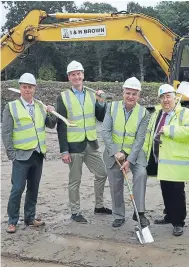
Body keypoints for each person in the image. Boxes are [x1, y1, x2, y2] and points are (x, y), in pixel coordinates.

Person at [56, 60, 112, 224]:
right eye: (73, 74)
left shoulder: (91, 94)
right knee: (75, 180)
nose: (76, 76)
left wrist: (101, 103)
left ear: (83, 75)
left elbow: (100, 118)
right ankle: (75, 212)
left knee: (102, 173)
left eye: (78, 73)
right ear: (69, 77)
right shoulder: (63, 97)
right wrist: (64, 150)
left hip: (90, 143)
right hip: (73, 146)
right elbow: (61, 125)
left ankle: (99, 206)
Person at [2, 73, 57, 233]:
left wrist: (51, 112)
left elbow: (51, 125)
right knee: (17, 188)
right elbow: (6, 133)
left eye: (30, 87)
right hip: (21, 156)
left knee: (33, 188)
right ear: (20, 88)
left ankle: (30, 218)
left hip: (38, 154)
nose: (27, 90)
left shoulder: (40, 106)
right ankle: (12, 221)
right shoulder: (11, 107)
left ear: (34, 88)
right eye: (24, 87)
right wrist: (12, 155)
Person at [143, 84, 189, 236]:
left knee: (177, 191)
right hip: (161, 160)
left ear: (174, 97)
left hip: (176, 161)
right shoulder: (157, 114)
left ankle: (178, 222)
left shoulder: (185, 113)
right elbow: (149, 134)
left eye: (168, 97)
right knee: (165, 189)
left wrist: (168, 130)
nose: (165, 100)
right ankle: (169, 215)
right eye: (162, 97)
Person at [102, 77, 150, 228]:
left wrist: (130, 161)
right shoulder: (111, 107)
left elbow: (140, 139)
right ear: (123, 92)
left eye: (134, 94)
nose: (131, 96)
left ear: (139, 95)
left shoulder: (144, 113)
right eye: (128, 93)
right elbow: (105, 131)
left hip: (134, 153)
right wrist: (115, 151)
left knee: (141, 174)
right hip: (114, 152)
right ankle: (118, 215)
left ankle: (139, 213)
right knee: (116, 184)